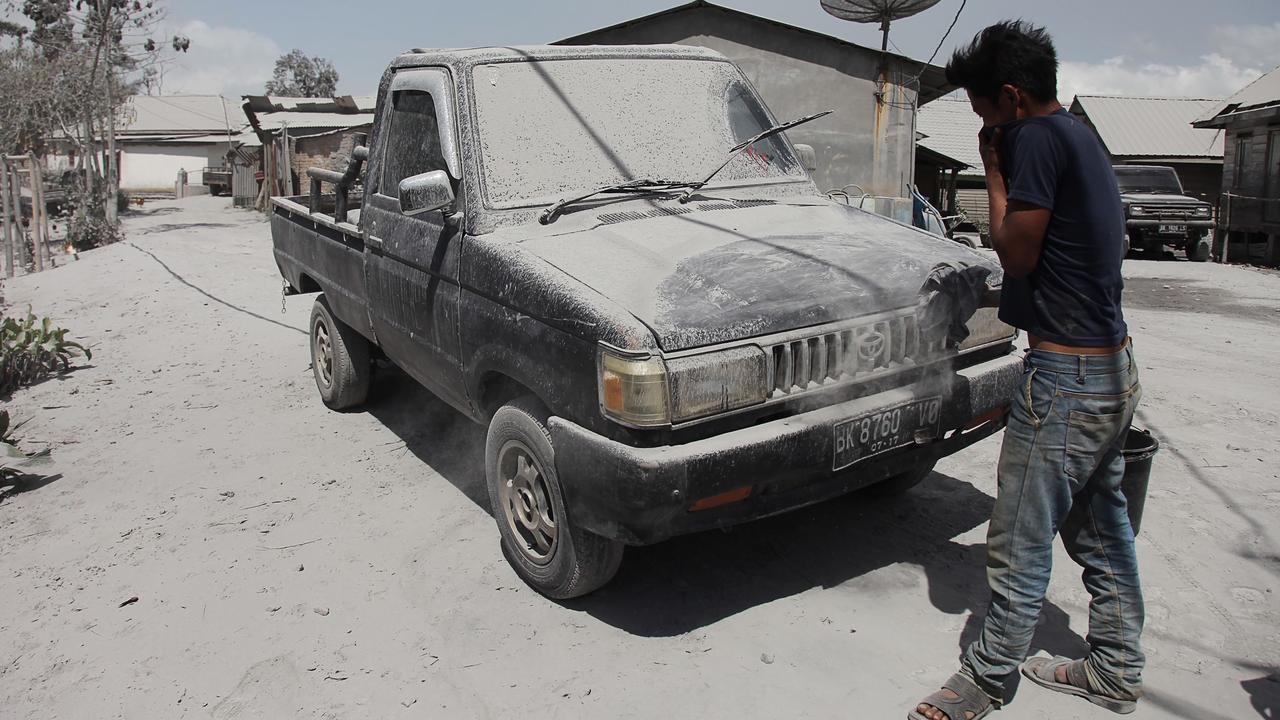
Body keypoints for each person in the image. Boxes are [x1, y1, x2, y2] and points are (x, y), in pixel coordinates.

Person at [909, 20, 1145, 720]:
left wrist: (991, 168)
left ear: (1012, 96)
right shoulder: (1080, 136)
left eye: (984, 111)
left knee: (1018, 534)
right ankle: (1116, 667)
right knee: (1102, 530)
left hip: (1066, 376)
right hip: (1111, 364)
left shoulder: (1035, 139)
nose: (985, 126)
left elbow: (1018, 252)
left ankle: (985, 679)